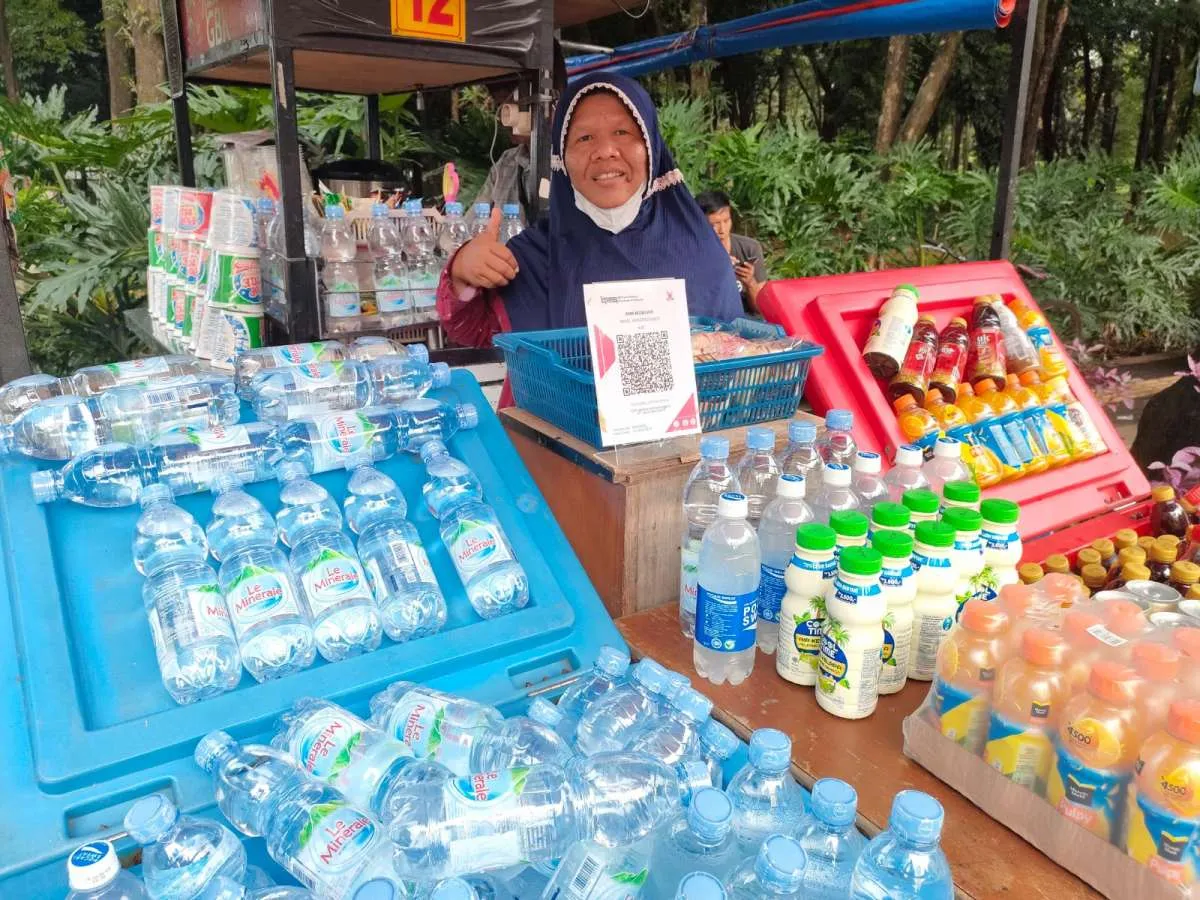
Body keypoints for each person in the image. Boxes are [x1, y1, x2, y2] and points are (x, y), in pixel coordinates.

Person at [438, 72, 743, 373]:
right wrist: (463, 273)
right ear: (562, 158)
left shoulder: (701, 256)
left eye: (623, 133)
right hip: (553, 423)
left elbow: (734, 361)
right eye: (584, 138)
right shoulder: (534, 256)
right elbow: (473, 330)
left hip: (686, 424)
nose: (605, 151)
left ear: (650, 148)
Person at [696, 190, 769, 315]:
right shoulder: (691, 253)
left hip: (746, 320)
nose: (722, 230)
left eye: (726, 221)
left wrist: (750, 282)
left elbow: (762, 309)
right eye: (715, 224)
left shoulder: (750, 248)